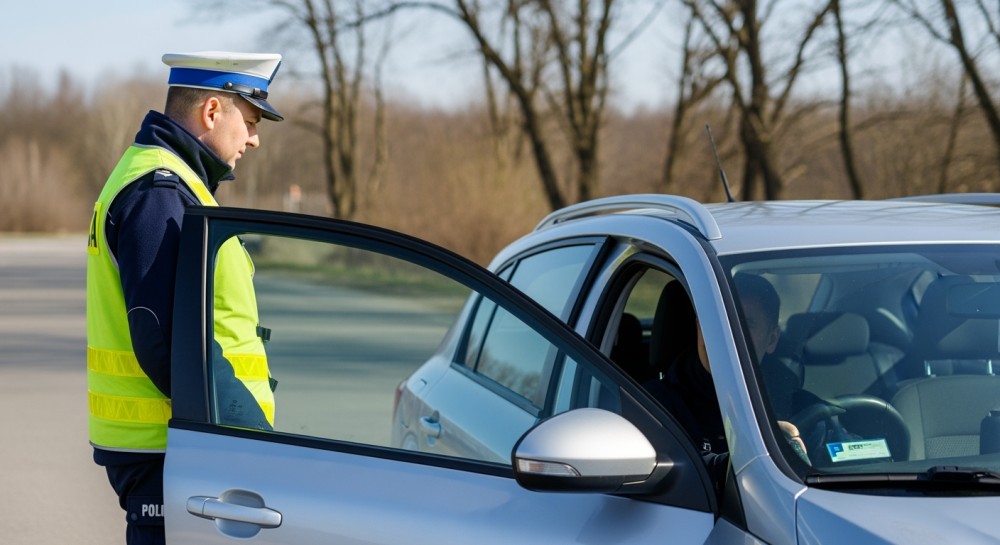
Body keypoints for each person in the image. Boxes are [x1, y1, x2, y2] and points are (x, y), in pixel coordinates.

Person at [86, 51, 284, 544]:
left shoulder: (172, 184)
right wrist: (251, 436)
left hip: (179, 443)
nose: (254, 139)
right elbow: (169, 343)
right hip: (176, 448)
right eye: (251, 121)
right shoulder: (160, 193)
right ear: (212, 111)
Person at [643, 273, 807, 491]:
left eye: (746, 324)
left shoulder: (801, 405)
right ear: (698, 327)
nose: (727, 335)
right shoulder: (653, 408)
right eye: (716, 320)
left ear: (772, 339)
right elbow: (677, 481)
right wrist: (776, 452)